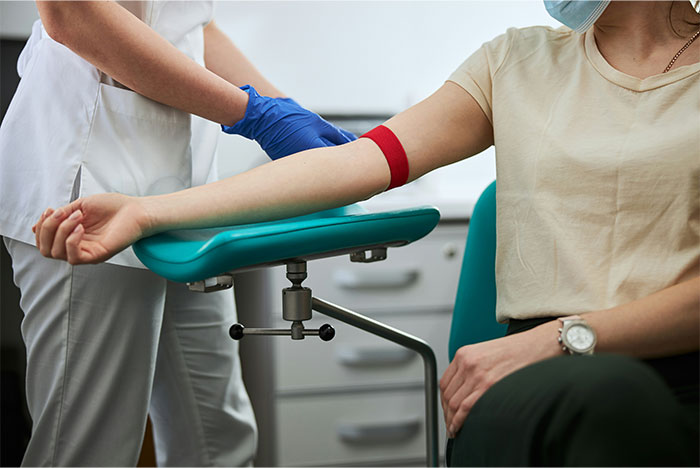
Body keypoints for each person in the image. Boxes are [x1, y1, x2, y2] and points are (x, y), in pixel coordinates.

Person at [31, 0, 699, 466]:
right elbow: (359, 163)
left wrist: (564, 340)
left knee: (622, 398)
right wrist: (151, 210)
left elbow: (184, 25)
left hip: (647, 368)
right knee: (612, 397)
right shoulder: (517, 63)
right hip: (538, 382)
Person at [0, 1, 355, 466]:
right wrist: (252, 113)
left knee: (217, 440)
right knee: (89, 450)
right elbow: (71, 13)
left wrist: (288, 113)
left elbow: (192, 22)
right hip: (87, 180)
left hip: (183, 201)